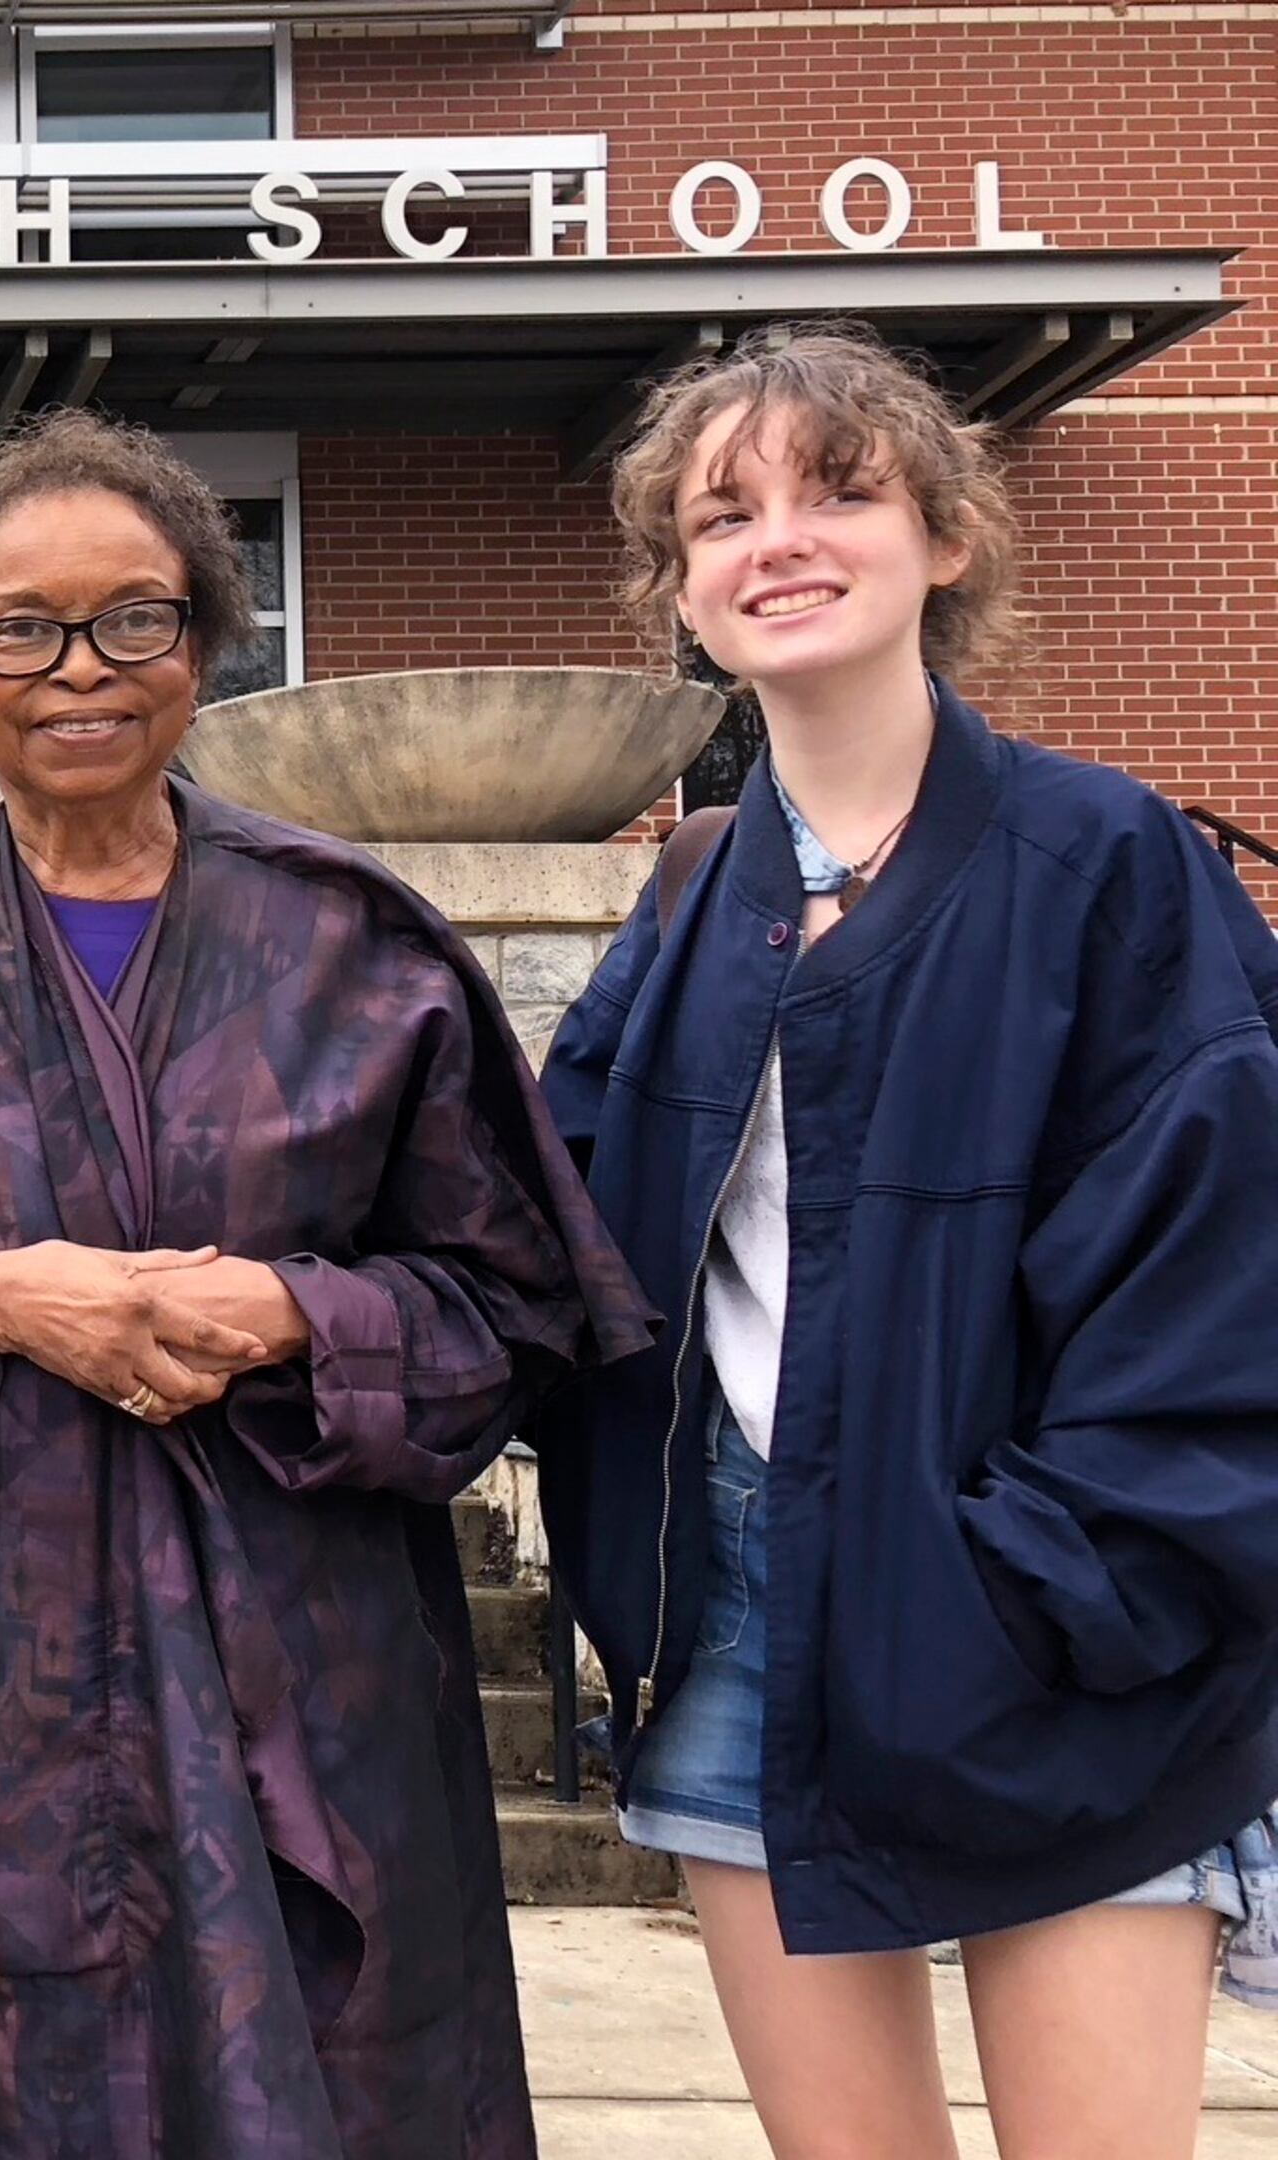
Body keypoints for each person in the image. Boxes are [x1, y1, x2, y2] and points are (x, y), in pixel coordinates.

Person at [0, 409, 653, 2159]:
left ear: (204, 635)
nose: (79, 673)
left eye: (136, 618)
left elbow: (525, 1310)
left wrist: (298, 1314)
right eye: (18, 630)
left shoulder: (362, 946)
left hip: (321, 1687)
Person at [536, 327, 1278, 2159]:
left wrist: (1058, 1584)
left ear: (945, 538)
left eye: (838, 492)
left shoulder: (1109, 862)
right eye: (723, 516)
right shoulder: (700, 896)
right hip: (739, 1623)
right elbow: (546, 1215)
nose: (777, 539)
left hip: (1055, 1621)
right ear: (685, 594)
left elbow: (1216, 1284)